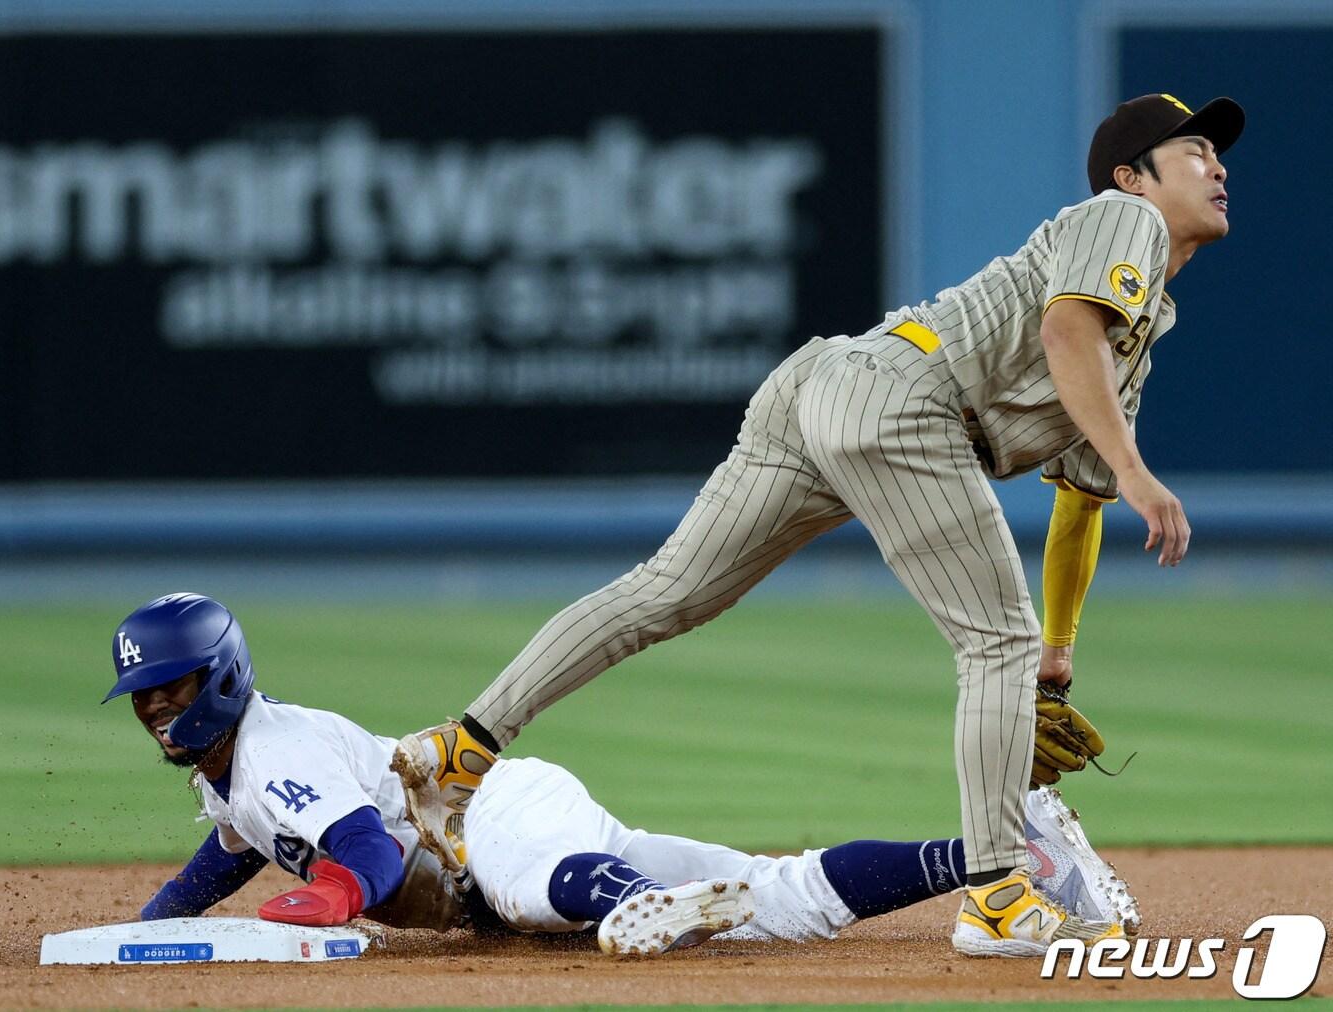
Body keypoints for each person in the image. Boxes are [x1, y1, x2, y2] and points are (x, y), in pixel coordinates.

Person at [394, 93, 1242, 957]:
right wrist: (1137, 474)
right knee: (995, 642)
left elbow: (1079, 501)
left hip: (830, 388)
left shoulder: (1134, 333)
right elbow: (1066, 330)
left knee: (665, 592)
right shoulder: (1122, 218)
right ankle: (996, 899)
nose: (1217, 167)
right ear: (1133, 177)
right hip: (904, 400)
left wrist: (1057, 649)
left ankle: (461, 749)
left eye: (1218, 154)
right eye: (1195, 151)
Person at [107, 593, 1137, 957]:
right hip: (502, 832)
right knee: (780, 899)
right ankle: (1003, 854)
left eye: (169, 687)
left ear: (221, 676)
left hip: (494, 815)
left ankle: (639, 904)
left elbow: (368, 850)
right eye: (144, 696)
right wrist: (147, 926)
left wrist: (331, 896)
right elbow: (230, 850)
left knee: (525, 891)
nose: (155, 708)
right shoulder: (231, 770)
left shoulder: (275, 750)